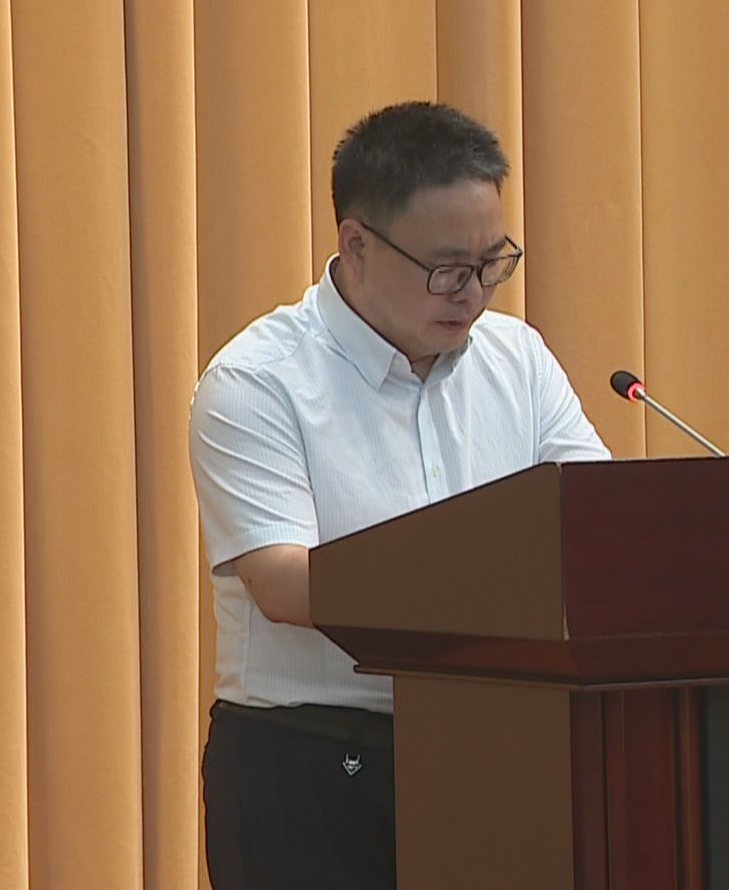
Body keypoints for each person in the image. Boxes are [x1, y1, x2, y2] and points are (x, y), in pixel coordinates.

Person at [190, 101, 611, 888]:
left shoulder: (518, 360)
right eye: (447, 269)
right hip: (310, 765)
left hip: (493, 751)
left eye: (493, 263)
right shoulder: (258, 382)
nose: (473, 293)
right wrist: (489, 583)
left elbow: (598, 524)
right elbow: (284, 583)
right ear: (356, 245)